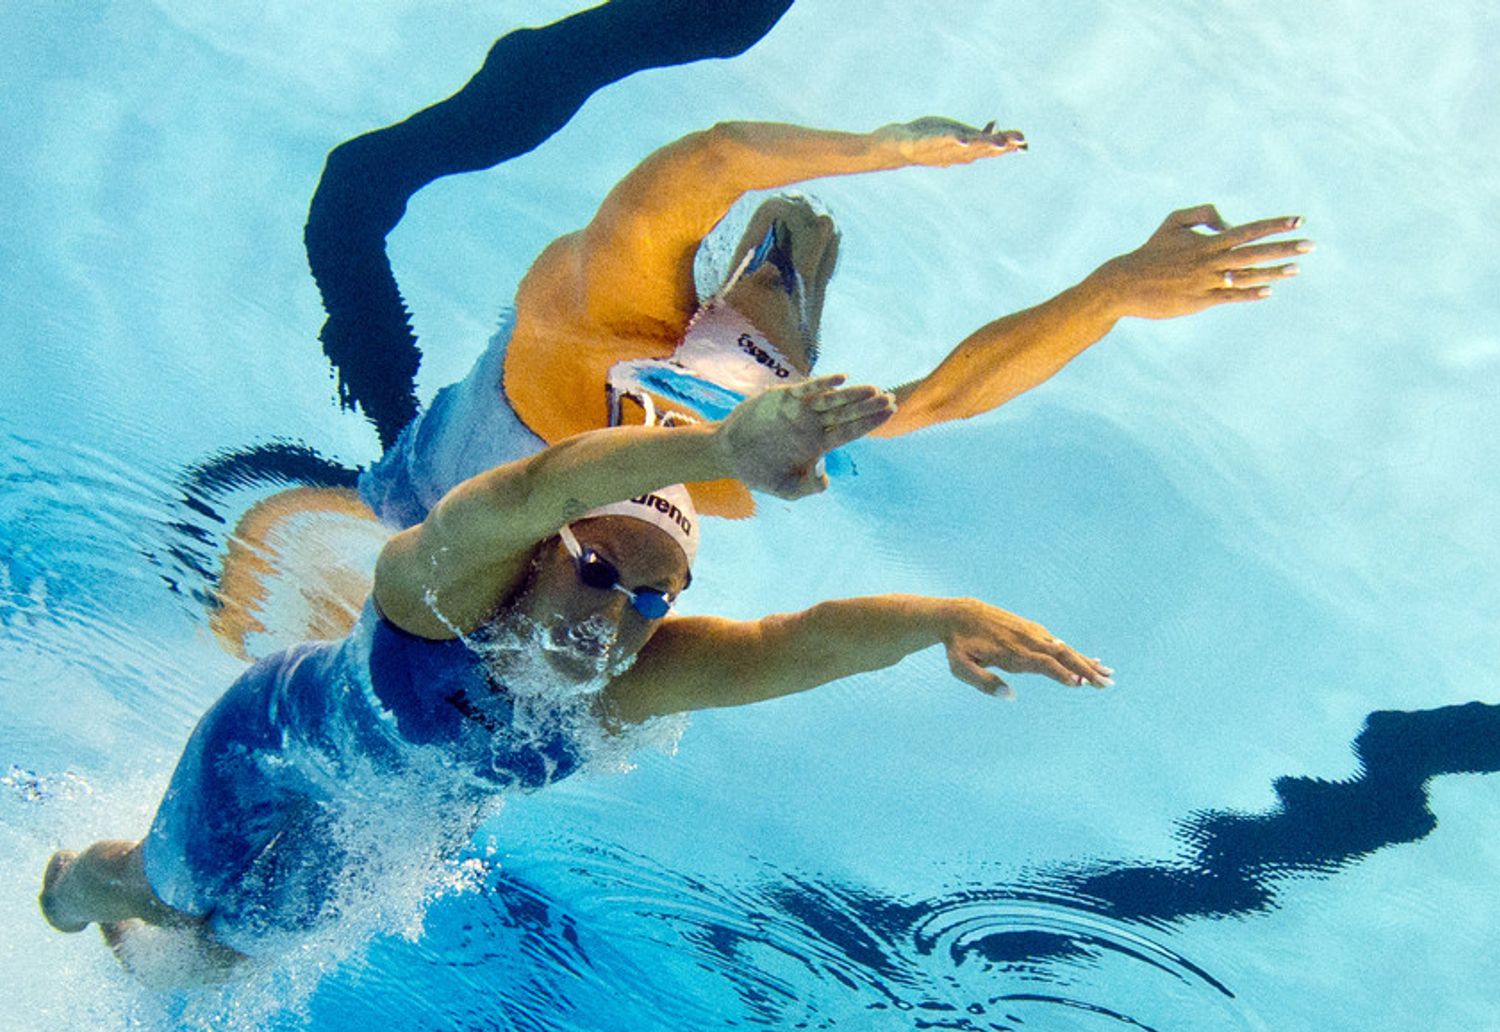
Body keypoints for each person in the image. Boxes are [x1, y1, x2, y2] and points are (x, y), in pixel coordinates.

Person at [209, 0, 1311, 653]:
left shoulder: (679, 388)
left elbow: (928, 394)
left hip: (504, 573)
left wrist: (1114, 286)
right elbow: (725, 165)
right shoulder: (617, 334)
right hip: (412, 530)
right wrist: (896, 150)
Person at [39, 374, 1112, 964]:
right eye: (600, 571)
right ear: (549, 551)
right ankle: (70, 889)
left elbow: (799, 642)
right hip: (270, 750)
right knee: (168, 891)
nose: (617, 615)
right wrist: (715, 452)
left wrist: (944, 618)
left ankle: (145, 962)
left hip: (384, 827)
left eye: (654, 597)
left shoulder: (627, 683)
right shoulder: (442, 597)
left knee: (241, 948)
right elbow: (532, 486)